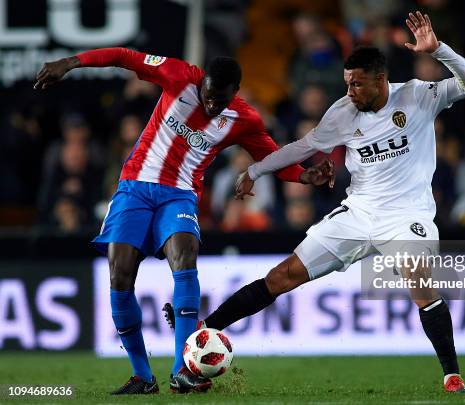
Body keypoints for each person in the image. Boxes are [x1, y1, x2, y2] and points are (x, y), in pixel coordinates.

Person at [165, 11, 465, 393]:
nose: (350, 92)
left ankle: (452, 376)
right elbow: (305, 146)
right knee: (282, 276)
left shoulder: (418, 95)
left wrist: (439, 51)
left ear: (381, 80)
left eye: (358, 85)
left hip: (406, 216)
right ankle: (206, 329)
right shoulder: (343, 111)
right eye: (347, 83)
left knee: (418, 277)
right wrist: (256, 170)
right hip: (358, 213)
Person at [34, 49, 334, 394]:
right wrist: (70, 63)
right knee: (120, 275)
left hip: (179, 195)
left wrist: (304, 176)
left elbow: (272, 157)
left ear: (234, 92)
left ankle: (183, 370)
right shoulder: (178, 75)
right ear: (201, 82)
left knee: (184, 258)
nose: (211, 106)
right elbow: (123, 56)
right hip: (135, 188)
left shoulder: (243, 118)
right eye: (207, 97)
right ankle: (142, 378)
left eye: (219, 102)